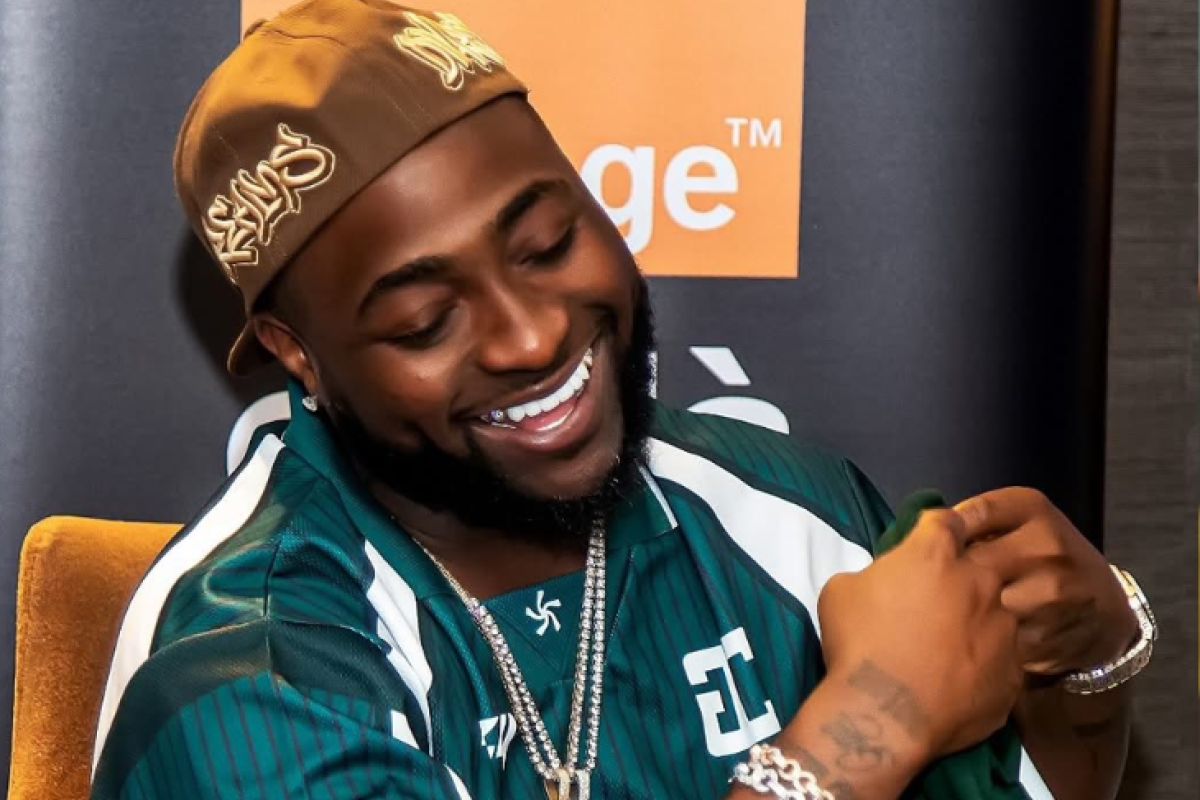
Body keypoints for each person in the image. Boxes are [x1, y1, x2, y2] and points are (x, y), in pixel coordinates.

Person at [90, 3, 1155, 799]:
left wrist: (1089, 668)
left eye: (549, 241)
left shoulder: (784, 507)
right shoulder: (243, 663)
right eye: (424, 321)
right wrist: (863, 730)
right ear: (299, 356)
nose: (531, 336)